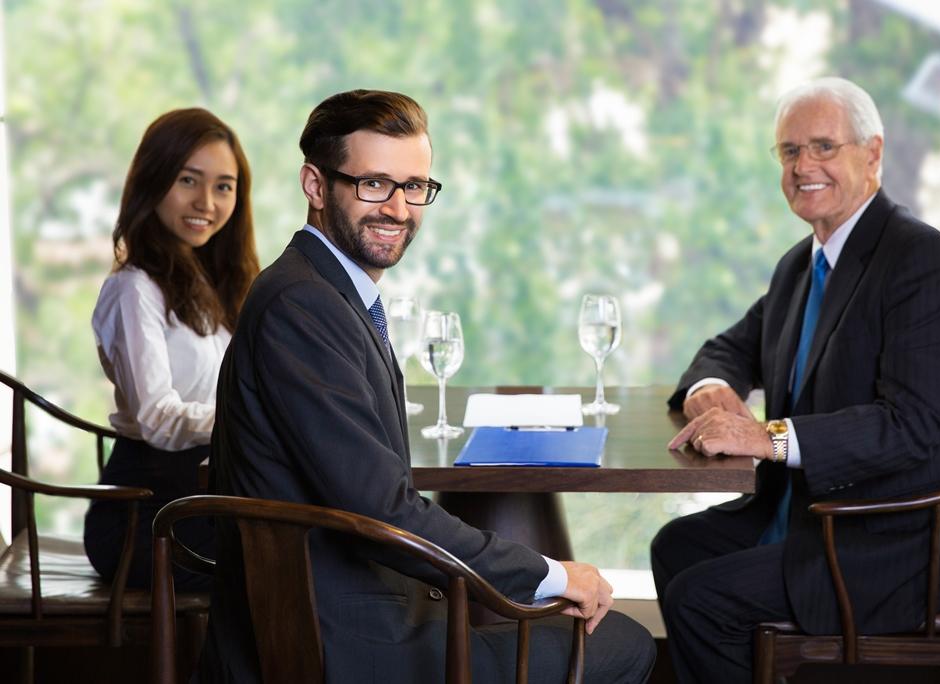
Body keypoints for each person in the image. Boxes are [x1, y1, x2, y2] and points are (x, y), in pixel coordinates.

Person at [199, 89, 655, 683]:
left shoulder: (325, 291)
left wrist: (528, 577)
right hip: (341, 641)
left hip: (363, 608)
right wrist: (555, 575)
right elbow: (384, 511)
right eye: (374, 184)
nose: (398, 208)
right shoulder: (302, 306)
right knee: (624, 643)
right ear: (315, 185)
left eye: (415, 186)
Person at [650, 77, 940, 683]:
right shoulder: (803, 264)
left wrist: (769, 437)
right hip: (820, 517)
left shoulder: (928, 266)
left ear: (872, 154)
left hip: (908, 541)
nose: (802, 166)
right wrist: (705, 387)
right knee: (674, 547)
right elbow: (730, 348)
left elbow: (911, 427)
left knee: (702, 600)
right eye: (789, 152)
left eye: (823, 147)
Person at [85, 108, 259, 590]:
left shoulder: (218, 281)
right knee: (295, 557)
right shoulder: (134, 288)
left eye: (224, 186)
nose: (206, 201)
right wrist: (247, 420)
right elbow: (157, 418)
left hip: (205, 498)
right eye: (188, 180)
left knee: (317, 542)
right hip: (145, 518)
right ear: (153, 178)